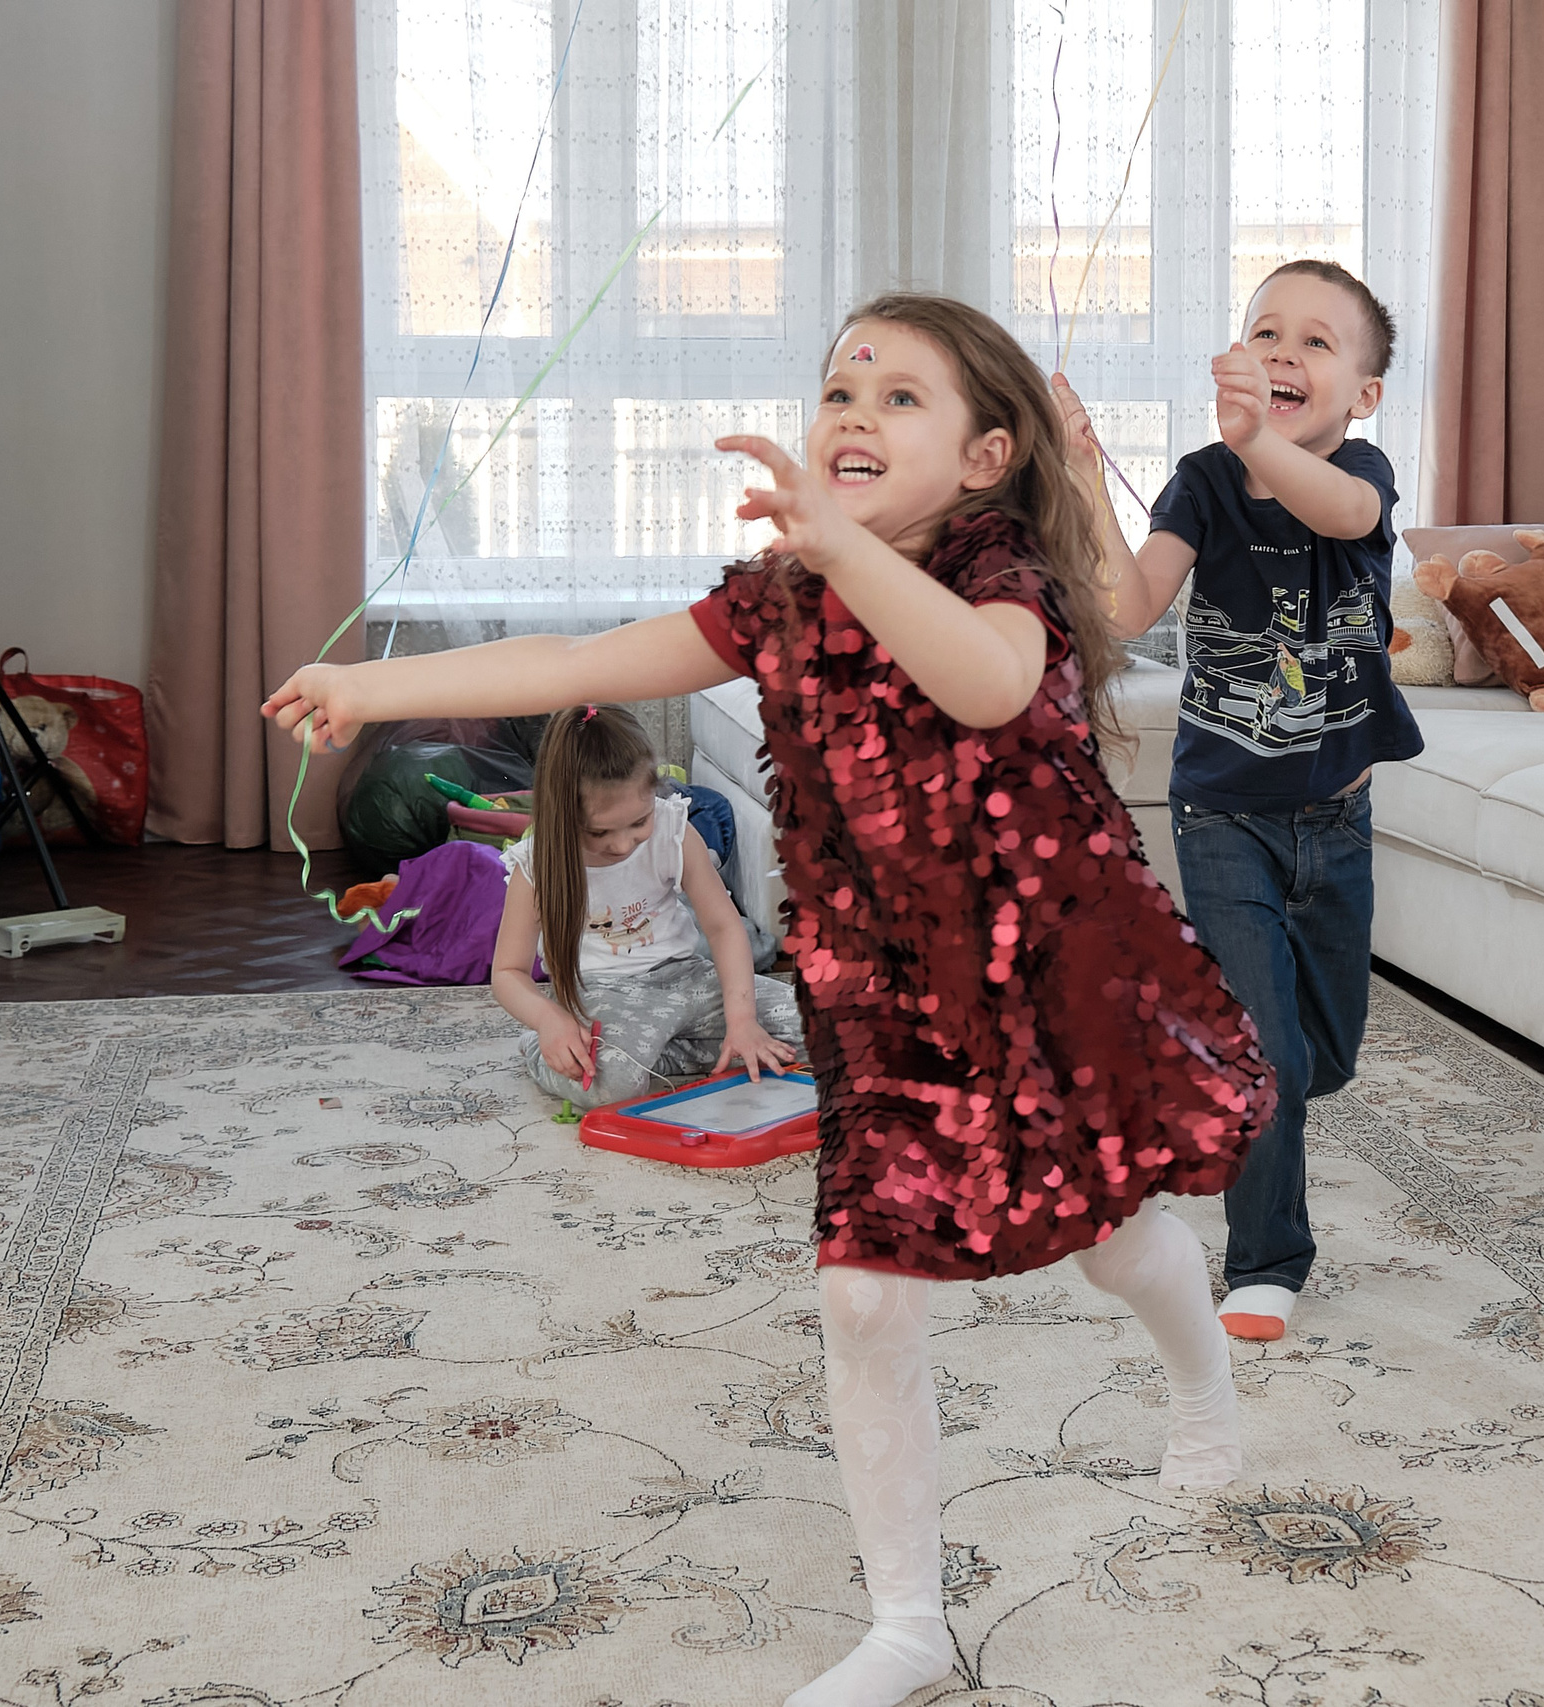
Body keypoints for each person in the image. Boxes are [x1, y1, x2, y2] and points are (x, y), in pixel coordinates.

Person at [263, 293, 1273, 1707]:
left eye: (898, 396)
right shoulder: (779, 595)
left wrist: (848, 541)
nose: (852, 410)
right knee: (865, 1296)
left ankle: (1202, 1388)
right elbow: (572, 665)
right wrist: (375, 690)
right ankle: (907, 1622)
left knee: (1114, 1238)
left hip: (1050, 973)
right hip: (883, 988)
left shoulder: (1007, 568)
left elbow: (986, 684)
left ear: (987, 457)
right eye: (838, 387)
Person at [1052, 259, 1421, 1344]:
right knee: (1264, 1049)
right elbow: (1125, 608)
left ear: (1362, 393)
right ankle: (1267, 1260)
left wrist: (1258, 437)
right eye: (1265, 332)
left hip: (1336, 821)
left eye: (1314, 341)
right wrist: (1082, 475)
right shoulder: (1204, 481)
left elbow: (1337, 509)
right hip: (1222, 813)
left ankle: (1217, 1084)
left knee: (1324, 1055)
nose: (1282, 352)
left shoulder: (1363, 476)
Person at [491, 701, 802, 1107]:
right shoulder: (535, 866)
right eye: (598, 832)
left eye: (639, 822)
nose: (622, 845)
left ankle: (660, 1055)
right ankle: (542, 1050)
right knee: (612, 1085)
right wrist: (548, 1021)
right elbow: (507, 973)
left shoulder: (674, 829)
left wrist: (742, 1020)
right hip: (605, 993)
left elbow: (724, 927)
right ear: (561, 812)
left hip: (687, 977)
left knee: (820, 1029)